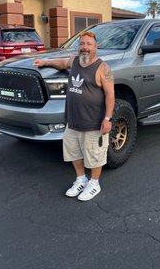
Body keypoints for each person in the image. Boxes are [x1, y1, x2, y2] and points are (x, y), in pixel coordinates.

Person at [34, 31, 115, 201]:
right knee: (74, 153)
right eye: (82, 44)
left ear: (96, 46)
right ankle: (81, 179)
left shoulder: (103, 68)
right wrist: (44, 62)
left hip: (93, 122)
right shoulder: (75, 61)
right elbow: (62, 63)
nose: (85, 47)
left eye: (89, 44)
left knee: (94, 155)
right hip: (72, 121)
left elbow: (110, 95)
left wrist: (107, 119)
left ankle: (94, 183)